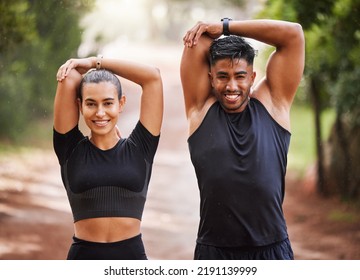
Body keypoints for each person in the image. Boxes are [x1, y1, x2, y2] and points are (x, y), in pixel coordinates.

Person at [180, 19, 305, 260]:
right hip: (214, 253)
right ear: (210, 77)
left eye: (240, 76)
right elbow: (199, 39)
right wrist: (212, 30)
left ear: (252, 76)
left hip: (272, 251)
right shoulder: (200, 109)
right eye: (222, 77)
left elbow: (293, 34)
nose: (231, 86)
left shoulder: (273, 104)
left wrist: (225, 26)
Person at [53, 56, 163, 259]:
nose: (100, 112)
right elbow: (70, 77)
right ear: (80, 105)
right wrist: (80, 68)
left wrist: (96, 62)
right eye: (91, 104)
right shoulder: (70, 148)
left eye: (108, 103)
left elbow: (152, 77)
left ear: (121, 103)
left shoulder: (141, 148)